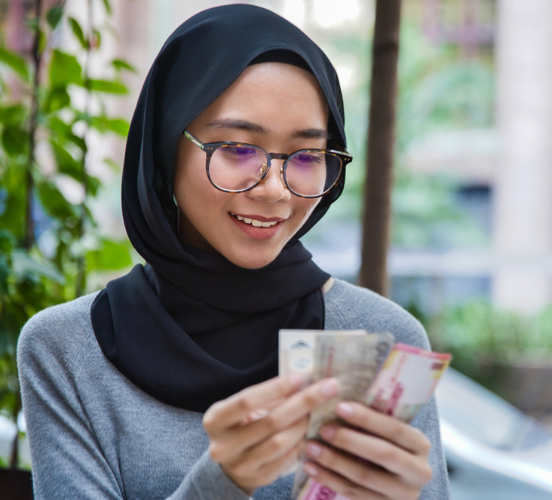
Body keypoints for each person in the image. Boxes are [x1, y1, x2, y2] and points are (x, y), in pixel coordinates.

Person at [17, 5, 449, 500]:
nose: (274, 191)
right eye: (238, 149)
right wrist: (223, 482)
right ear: (165, 147)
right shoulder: (67, 349)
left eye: (307, 156)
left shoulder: (383, 337)